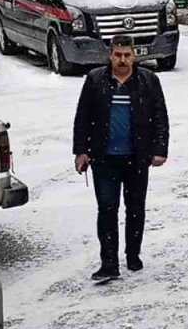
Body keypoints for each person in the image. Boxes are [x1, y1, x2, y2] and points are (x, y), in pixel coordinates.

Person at [72, 35, 170, 281]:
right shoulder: (96, 80)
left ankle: (133, 255)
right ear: (110, 55)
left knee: (135, 209)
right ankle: (109, 263)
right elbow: (82, 117)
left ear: (134, 55)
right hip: (104, 159)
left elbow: (160, 117)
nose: (123, 60)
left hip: (137, 158)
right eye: (118, 55)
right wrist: (81, 151)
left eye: (127, 55)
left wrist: (160, 149)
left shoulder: (148, 81)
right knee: (107, 209)